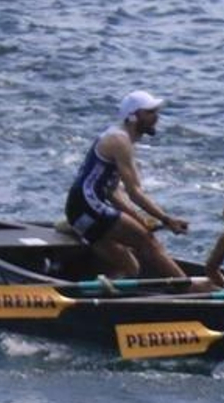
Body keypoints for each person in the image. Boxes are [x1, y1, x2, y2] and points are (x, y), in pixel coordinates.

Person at [64, 89, 190, 280]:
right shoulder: (120, 140)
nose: (156, 117)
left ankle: (100, 298)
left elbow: (113, 192)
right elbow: (134, 192)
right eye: (150, 112)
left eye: (156, 112)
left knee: (131, 268)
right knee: (149, 243)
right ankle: (187, 287)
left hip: (78, 209)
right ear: (132, 117)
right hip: (87, 205)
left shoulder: (120, 138)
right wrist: (167, 219)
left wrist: (140, 220)